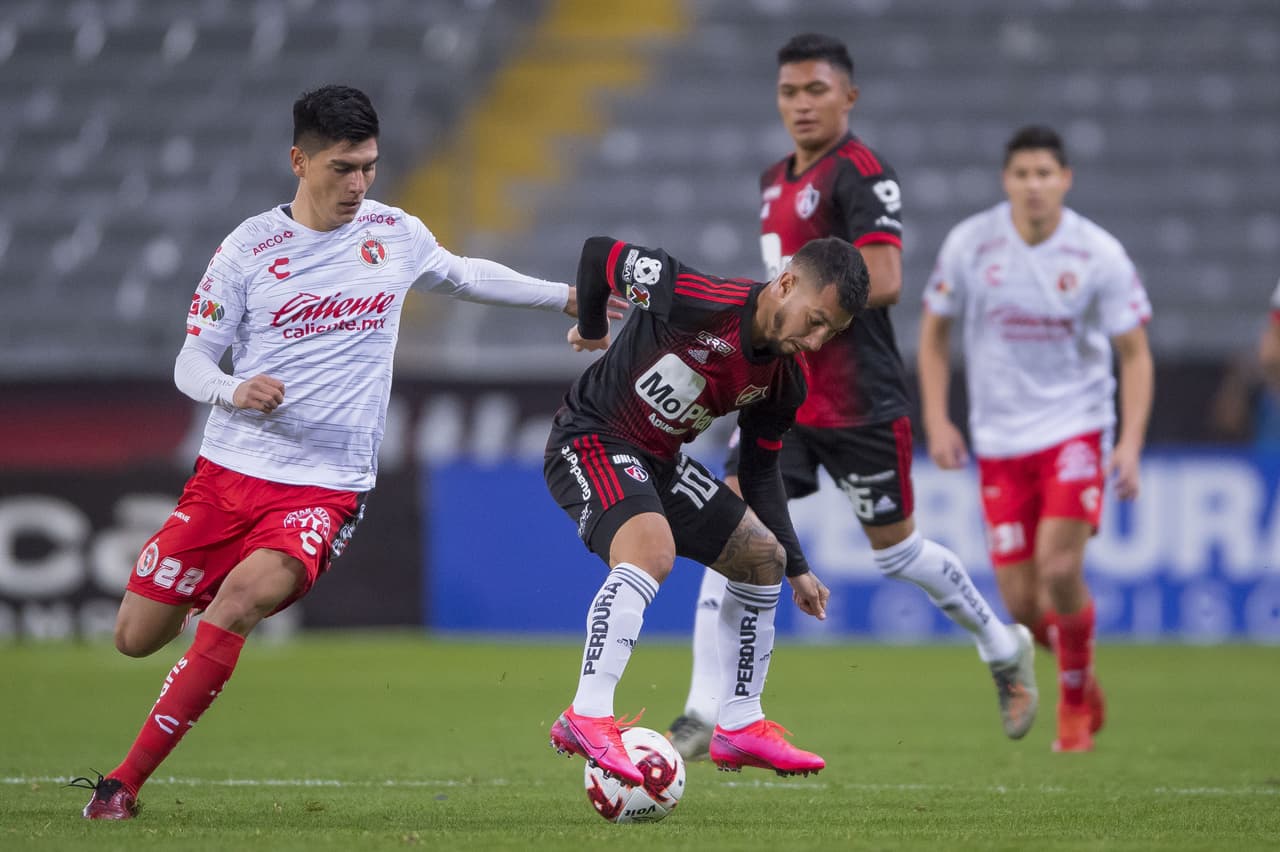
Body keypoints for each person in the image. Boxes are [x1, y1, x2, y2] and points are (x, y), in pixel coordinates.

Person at [72, 84, 620, 820]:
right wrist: (232, 390)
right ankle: (200, 604)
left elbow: (465, 275)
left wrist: (570, 297)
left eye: (369, 166)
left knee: (236, 607)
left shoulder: (394, 234)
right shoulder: (248, 249)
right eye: (341, 168)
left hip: (324, 488)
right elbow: (190, 361)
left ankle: (122, 785)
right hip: (228, 475)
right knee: (135, 638)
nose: (359, 185)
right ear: (298, 161)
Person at [665, 33, 1037, 762]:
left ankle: (1002, 645)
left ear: (849, 97)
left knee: (897, 557)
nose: (801, 105)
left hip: (861, 400)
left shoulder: (861, 172)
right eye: (789, 92)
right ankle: (702, 712)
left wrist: (817, 303)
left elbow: (889, 277)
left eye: (816, 91)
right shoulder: (775, 177)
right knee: (729, 533)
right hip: (784, 392)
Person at [544, 234, 869, 785]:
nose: (815, 341)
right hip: (592, 438)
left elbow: (761, 474)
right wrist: (596, 328)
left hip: (661, 462)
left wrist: (796, 564)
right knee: (652, 551)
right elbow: (600, 253)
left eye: (830, 333)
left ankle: (738, 724)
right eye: (814, 321)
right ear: (786, 283)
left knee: (760, 559)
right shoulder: (694, 296)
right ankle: (587, 714)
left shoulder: (785, 381)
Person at [917, 125, 1154, 752]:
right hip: (999, 441)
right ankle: (1083, 676)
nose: (1033, 185)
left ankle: (1073, 708)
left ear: (1065, 180)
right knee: (1022, 605)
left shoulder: (1097, 253)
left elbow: (1134, 353)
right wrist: (937, 419)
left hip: (1075, 427)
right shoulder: (972, 243)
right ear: (1007, 181)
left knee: (1058, 568)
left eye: (1045, 174)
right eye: (1022, 174)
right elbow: (934, 332)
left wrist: (1127, 444)